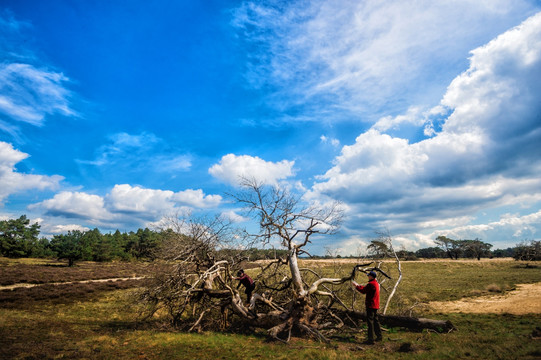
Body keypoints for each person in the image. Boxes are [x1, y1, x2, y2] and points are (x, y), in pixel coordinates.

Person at [352, 271, 382, 344]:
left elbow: (363, 291)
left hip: (371, 305)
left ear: (371, 276)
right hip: (375, 305)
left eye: (369, 275)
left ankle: (370, 339)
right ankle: (379, 336)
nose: (368, 276)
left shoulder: (371, 284)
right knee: (375, 321)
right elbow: (365, 289)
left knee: (370, 322)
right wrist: (358, 285)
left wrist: (356, 286)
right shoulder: (376, 283)